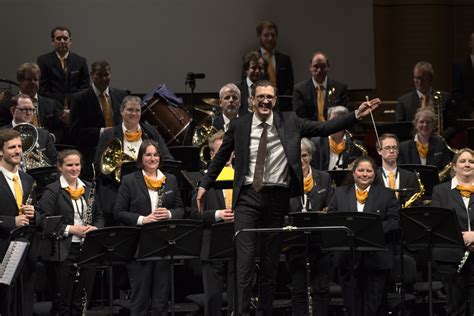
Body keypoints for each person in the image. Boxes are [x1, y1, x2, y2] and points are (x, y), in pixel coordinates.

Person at [196, 80, 380, 315]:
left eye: (269, 97)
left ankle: (265, 312)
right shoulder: (240, 125)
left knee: (271, 264)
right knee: (244, 263)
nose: (265, 101)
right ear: (252, 100)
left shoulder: (290, 121)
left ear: (275, 101)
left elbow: (324, 128)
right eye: (260, 96)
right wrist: (204, 185)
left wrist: (355, 115)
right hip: (248, 198)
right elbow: (221, 155)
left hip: (276, 198)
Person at [114, 140, 184, 315]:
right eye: (148, 155)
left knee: (161, 300)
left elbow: (181, 209)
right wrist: (142, 220)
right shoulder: (130, 180)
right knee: (140, 299)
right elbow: (118, 212)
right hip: (138, 246)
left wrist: (168, 214)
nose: (153, 158)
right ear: (141, 158)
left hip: (163, 244)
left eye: (156, 155)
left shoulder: (170, 180)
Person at [328, 156, 400, 316]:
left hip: (376, 261)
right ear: (353, 173)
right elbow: (331, 219)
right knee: (351, 306)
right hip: (348, 260)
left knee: (373, 307)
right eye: (361, 170)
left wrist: (372, 229)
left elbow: (395, 221)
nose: (364, 174)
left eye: (369, 171)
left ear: (374, 174)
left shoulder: (386, 194)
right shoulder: (339, 193)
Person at [37, 149, 104, 315]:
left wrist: (95, 228)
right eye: (69, 165)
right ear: (60, 167)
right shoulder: (52, 190)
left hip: (87, 250)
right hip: (62, 250)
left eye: (77, 164)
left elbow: (100, 216)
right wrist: (70, 229)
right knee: (62, 302)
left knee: (81, 301)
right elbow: (44, 220)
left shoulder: (89, 188)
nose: (74, 168)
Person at [94, 95, 172, 226]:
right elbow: (98, 165)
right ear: (121, 111)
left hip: (148, 191)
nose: (134, 113)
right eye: (130, 110)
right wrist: (116, 172)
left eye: (137, 110)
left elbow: (167, 158)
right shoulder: (109, 135)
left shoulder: (150, 132)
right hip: (117, 190)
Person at [190, 130, 235, 316]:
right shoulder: (202, 179)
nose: (225, 155)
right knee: (213, 300)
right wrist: (217, 214)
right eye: (220, 151)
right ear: (211, 155)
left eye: (228, 150)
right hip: (212, 245)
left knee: (238, 297)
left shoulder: (240, 176)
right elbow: (194, 214)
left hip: (236, 243)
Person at [287, 138, 333, 316]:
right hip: (295, 243)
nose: (301, 159)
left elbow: (330, 206)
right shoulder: (285, 179)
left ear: (311, 156)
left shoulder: (324, 178)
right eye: (297, 156)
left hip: (320, 242)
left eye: (304, 155)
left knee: (321, 289)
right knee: (298, 290)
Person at [430, 148, 474, 315]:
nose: (467, 164)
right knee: (455, 307)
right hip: (450, 256)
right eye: (462, 161)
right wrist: (462, 238)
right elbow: (437, 222)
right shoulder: (440, 191)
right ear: (454, 167)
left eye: (471, 161)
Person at [0, 129, 38, 316]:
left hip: (25, 252)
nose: (17, 151)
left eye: (20, 147)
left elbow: (36, 213)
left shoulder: (27, 179)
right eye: (12, 147)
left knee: (25, 306)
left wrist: (34, 213)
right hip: (2, 250)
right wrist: (11, 221)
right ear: (1, 151)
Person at [70, 60, 128, 179]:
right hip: (93, 156)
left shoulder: (121, 95)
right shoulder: (79, 99)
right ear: (92, 75)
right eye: (99, 75)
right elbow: (75, 132)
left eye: (106, 75)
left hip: (121, 155)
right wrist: (103, 132)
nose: (103, 78)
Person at [0, 63, 66, 141]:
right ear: (19, 81)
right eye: (29, 79)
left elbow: (61, 128)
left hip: (48, 147)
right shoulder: (6, 105)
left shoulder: (51, 104)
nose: (33, 82)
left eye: (36, 80)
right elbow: (2, 130)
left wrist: (50, 137)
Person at [396, 61, 454, 139]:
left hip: (439, 144)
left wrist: (441, 137)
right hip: (413, 145)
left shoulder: (445, 98)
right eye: (417, 78)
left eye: (423, 78)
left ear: (430, 78)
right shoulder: (404, 101)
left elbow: (453, 125)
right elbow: (400, 128)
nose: (419, 82)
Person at [37, 26, 89, 110]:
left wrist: (73, 107)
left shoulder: (81, 61)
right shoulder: (43, 61)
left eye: (65, 38)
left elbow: (84, 88)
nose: (62, 41)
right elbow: (43, 88)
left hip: (76, 108)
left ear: (70, 41)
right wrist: (58, 109)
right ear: (53, 41)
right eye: (58, 38)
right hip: (52, 109)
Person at [2, 93, 57, 166]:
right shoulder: (2, 133)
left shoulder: (44, 135)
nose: (28, 113)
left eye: (31, 109)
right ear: (12, 110)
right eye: (24, 109)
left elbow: (55, 161)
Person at [293, 52, 349, 121]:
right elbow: (301, 119)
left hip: (334, 130)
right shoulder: (300, 90)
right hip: (310, 130)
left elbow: (343, 117)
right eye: (316, 66)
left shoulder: (340, 88)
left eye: (322, 66)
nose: (319, 70)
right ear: (310, 67)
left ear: (328, 67)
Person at [311, 106, 366, 170]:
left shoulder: (357, 146)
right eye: (334, 119)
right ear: (328, 120)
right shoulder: (315, 143)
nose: (337, 123)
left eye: (341, 119)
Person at [376, 133, 420, 205]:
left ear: (398, 151)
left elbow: (418, 204)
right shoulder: (373, 177)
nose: (391, 151)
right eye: (387, 148)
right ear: (379, 151)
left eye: (394, 147)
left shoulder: (411, 177)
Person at [255, 20, 294, 96]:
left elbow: (290, 85)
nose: (270, 38)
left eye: (273, 35)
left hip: (282, 105)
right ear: (259, 36)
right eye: (266, 35)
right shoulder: (251, 59)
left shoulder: (285, 59)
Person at [452, 33, 474, 119]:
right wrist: (470, 112)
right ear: (470, 43)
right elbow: (456, 93)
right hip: (467, 116)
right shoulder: (460, 66)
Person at [237, 51, 266, 116]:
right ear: (246, 70)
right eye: (254, 68)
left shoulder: (270, 90)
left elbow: (276, 114)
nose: (257, 71)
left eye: (260, 68)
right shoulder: (237, 89)